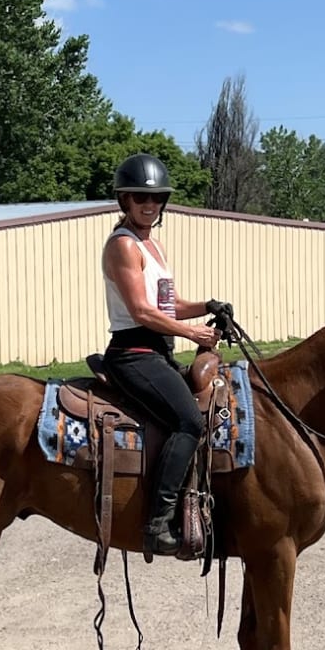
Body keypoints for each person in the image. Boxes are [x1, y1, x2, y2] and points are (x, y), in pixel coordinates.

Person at [101, 153, 233, 557]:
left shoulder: (152, 245)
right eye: (140, 197)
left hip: (156, 351)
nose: (149, 204)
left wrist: (207, 306)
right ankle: (158, 524)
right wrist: (192, 332)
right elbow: (142, 312)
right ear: (124, 200)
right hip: (133, 353)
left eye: (157, 198)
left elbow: (167, 305)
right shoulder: (124, 246)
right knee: (188, 421)